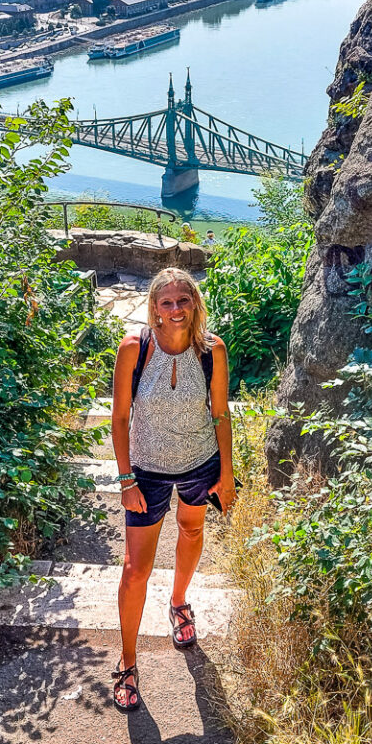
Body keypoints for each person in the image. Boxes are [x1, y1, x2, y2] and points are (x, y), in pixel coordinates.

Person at [109, 268, 237, 712]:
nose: (176, 309)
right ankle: (128, 662)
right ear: (155, 307)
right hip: (146, 470)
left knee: (192, 530)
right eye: (168, 302)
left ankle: (179, 601)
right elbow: (120, 419)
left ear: (195, 303)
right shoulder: (135, 349)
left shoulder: (212, 349)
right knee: (134, 570)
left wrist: (227, 471)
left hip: (199, 463)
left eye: (184, 299)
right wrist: (125, 480)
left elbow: (220, 414)